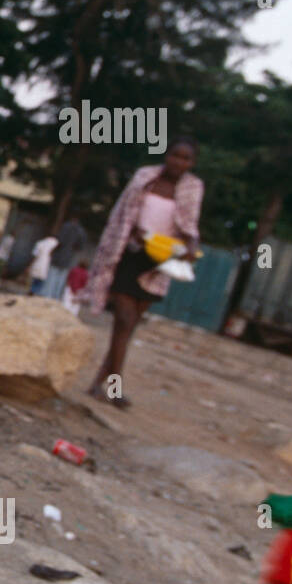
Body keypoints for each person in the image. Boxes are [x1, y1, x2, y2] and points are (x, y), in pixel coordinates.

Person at [84, 136, 203, 407]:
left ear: (191, 163)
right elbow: (123, 213)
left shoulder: (193, 189)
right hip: (130, 253)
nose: (178, 161)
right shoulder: (144, 177)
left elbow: (190, 227)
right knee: (124, 320)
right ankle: (114, 391)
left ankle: (96, 385)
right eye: (175, 155)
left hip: (159, 262)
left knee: (127, 329)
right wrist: (134, 234)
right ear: (167, 155)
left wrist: (191, 248)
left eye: (185, 158)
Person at [43, 216, 86, 299]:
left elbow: (60, 241)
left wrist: (53, 250)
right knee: (61, 279)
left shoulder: (66, 226)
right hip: (69, 258)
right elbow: (80, 247)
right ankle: (55, 297)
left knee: (52, 277)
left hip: (59, 256)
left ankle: (47, 295)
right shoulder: (81, 231)